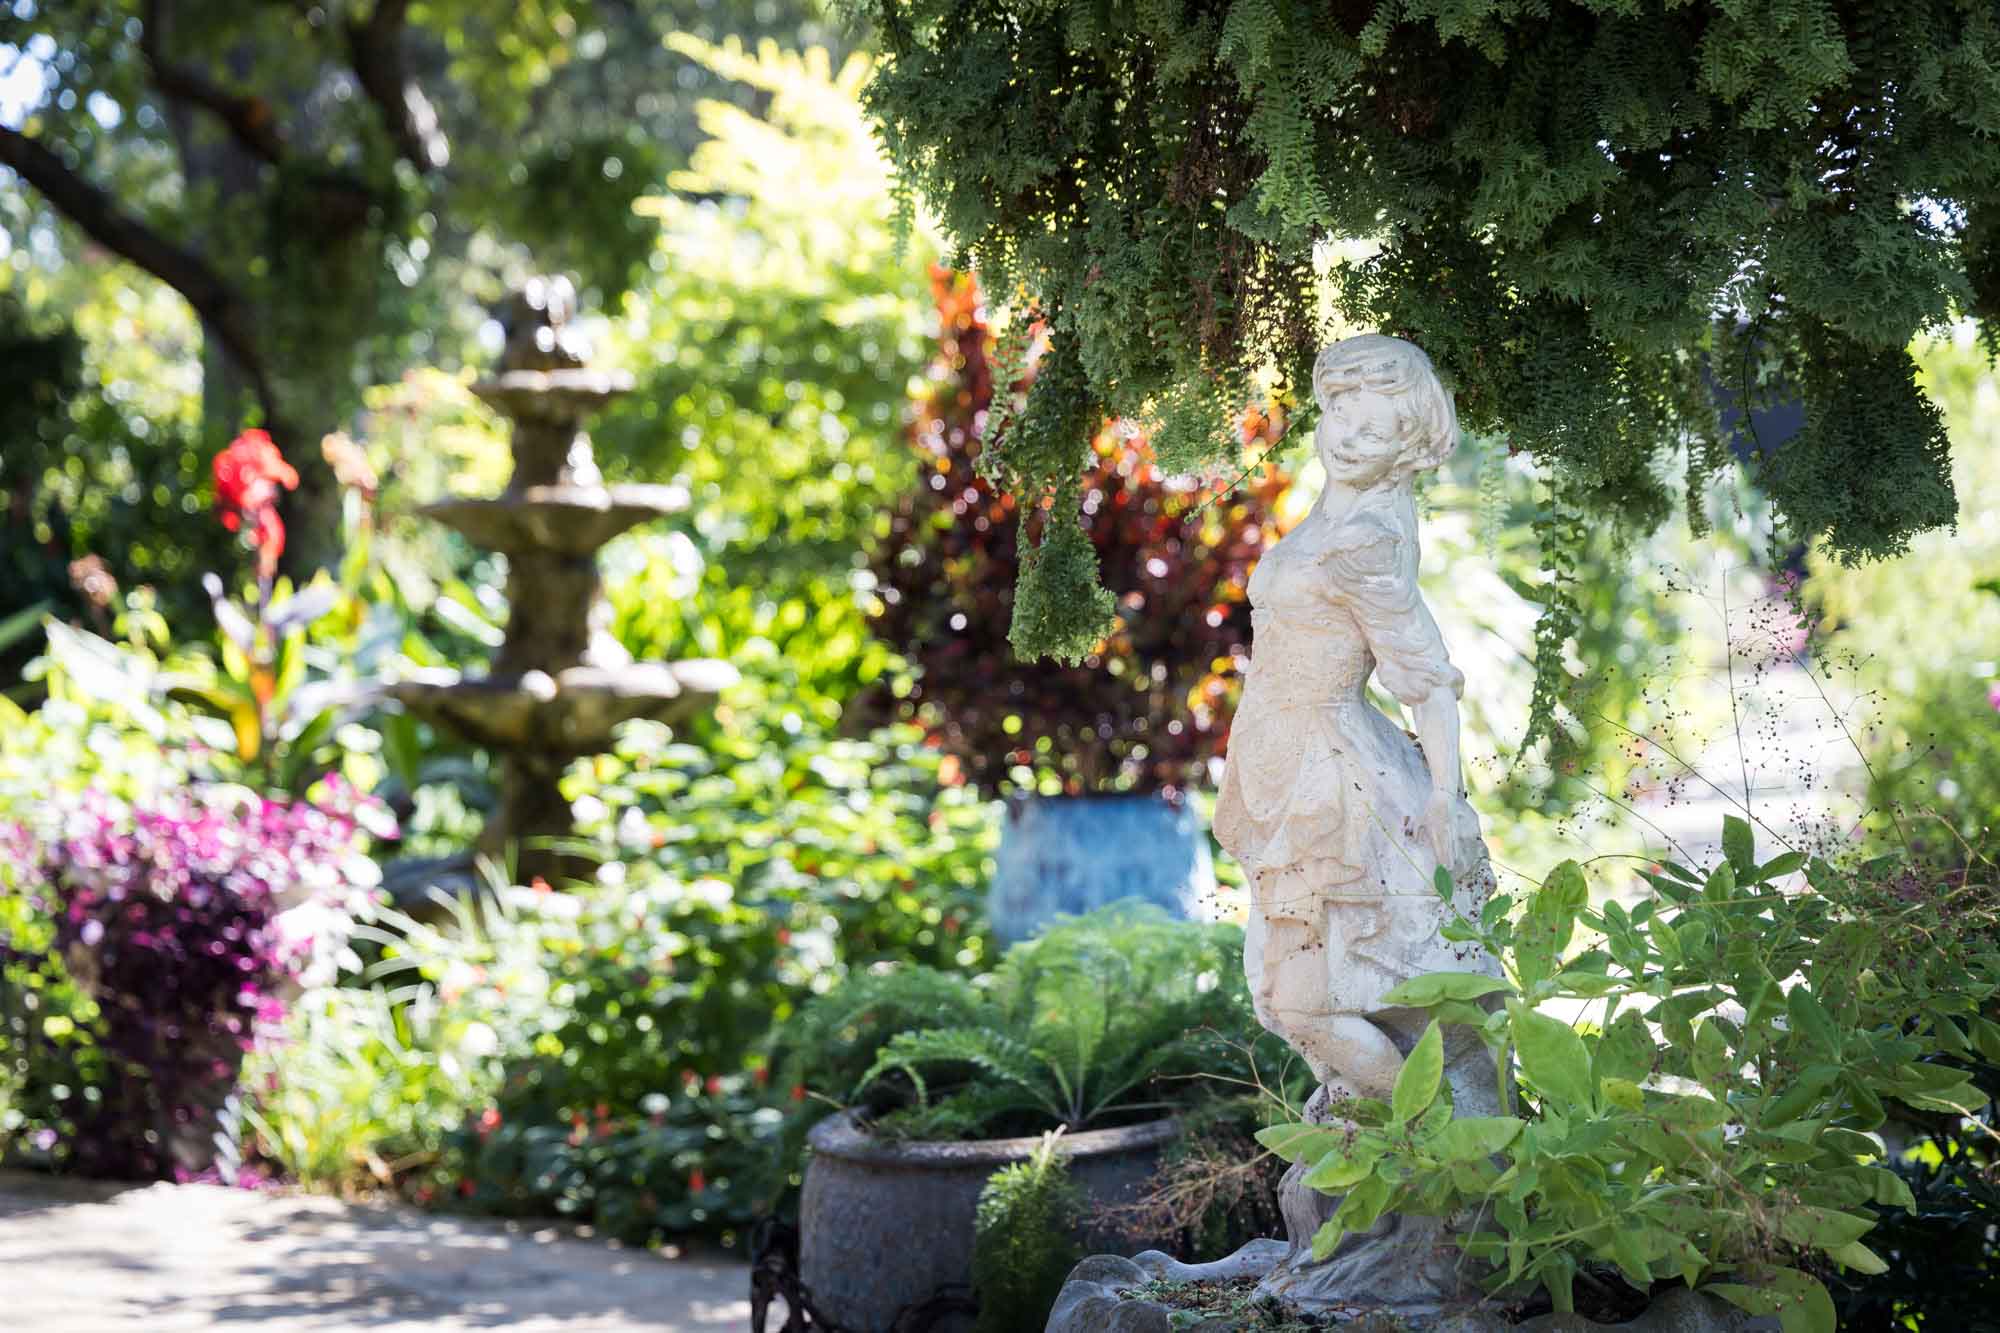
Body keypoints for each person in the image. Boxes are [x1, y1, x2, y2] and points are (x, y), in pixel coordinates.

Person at [1214, 333, 1494, 1105]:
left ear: (1404, 446)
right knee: (1279, 1001)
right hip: (1274, 761)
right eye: (1340, 412)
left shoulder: (1366, 540)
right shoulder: (1333, 515)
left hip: (1326, 779)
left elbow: (1424, 675)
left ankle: (1432, 1136)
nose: (1347, 436)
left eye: (1373, 429)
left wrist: (1448, 795)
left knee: (1302, 1003)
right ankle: (1369, 1122)